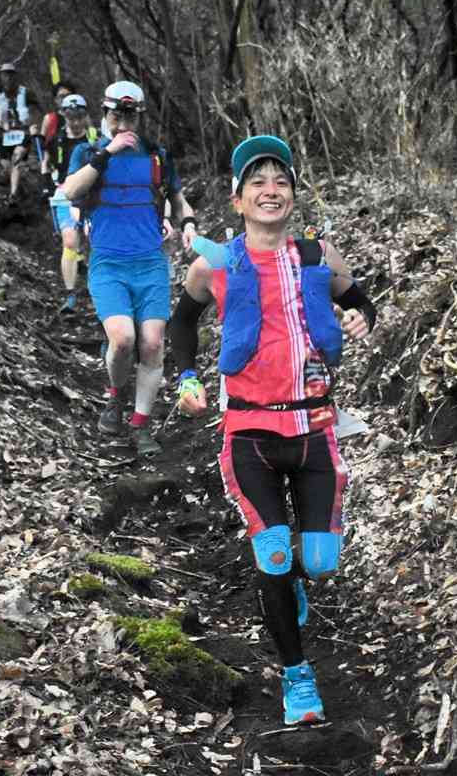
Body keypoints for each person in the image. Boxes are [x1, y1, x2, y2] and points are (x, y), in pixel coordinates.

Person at [169, 135, 376, 725]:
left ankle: (297, 584)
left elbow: (359, 300)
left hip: (313, 428)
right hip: (249, 434)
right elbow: (183, 321)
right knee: (275, 553)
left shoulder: (318, 256)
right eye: (256, 182)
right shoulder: (215, 264)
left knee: (320, 560)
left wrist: (361, 315)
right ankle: (297, 677)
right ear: (237, 199)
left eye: (279, 181)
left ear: (292, 194)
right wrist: (186, 377)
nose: (270, 191)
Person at [63, 80, 197, 455]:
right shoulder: (87, 152)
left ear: (140, 116)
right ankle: (115, 395)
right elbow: (71, 191)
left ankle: (140, 427)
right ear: (105, 116)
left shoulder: (156, 155)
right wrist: (107, 152)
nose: (123, 122)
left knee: (153, 344)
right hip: (108, 263)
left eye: (130, 115)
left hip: (150, 263)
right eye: (116, 114)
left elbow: (176, 197)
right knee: (122, 339)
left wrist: (186, 223)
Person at [41, 93, 98, 313]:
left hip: (92, 196)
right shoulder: (58, 140)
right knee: (70, 241)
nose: (74, 121)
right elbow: (46, 161)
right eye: (70, 116)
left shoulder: (94, 138)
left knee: (93, 240)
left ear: (85, 116)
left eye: (79, 116)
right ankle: (70, 293)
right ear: (64, 115)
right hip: (64, 194)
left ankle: (99, 287)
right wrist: (46, 182)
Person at [0, 62, 41, 205]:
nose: (8, 78)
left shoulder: (25, 92)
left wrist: (34, 123)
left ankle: (13, 195)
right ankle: (20, 187)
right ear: (1, 77)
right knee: (6, 164)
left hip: (22, 132)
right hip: (4, 134)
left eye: (10, 75)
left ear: (15, 76)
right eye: (5, 75)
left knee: (17, 157)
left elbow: (37, 109)